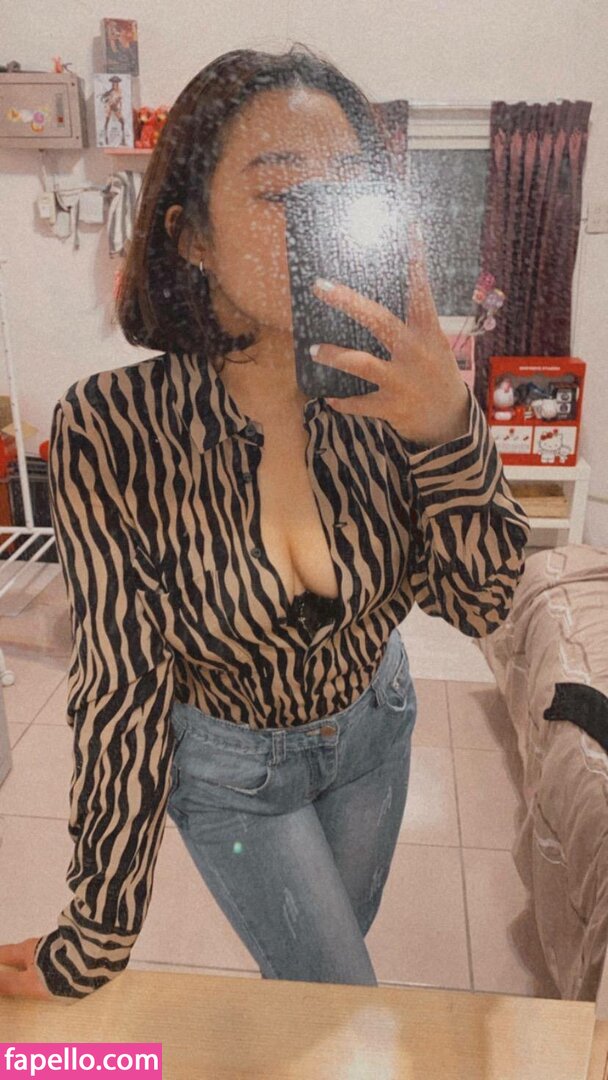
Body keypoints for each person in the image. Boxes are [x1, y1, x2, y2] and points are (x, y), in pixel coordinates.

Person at [0, 43, 530, 1002]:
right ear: (191, 235)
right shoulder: (113, 428)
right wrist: (97, 933)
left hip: (377, 728)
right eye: (283, 194)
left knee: (309, 988)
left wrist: (449, 427)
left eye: (345, 194)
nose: (318, 225)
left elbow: (485, 601)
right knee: (340, 996)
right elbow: (121, 686)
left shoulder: (393, 399)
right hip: (231, 767)